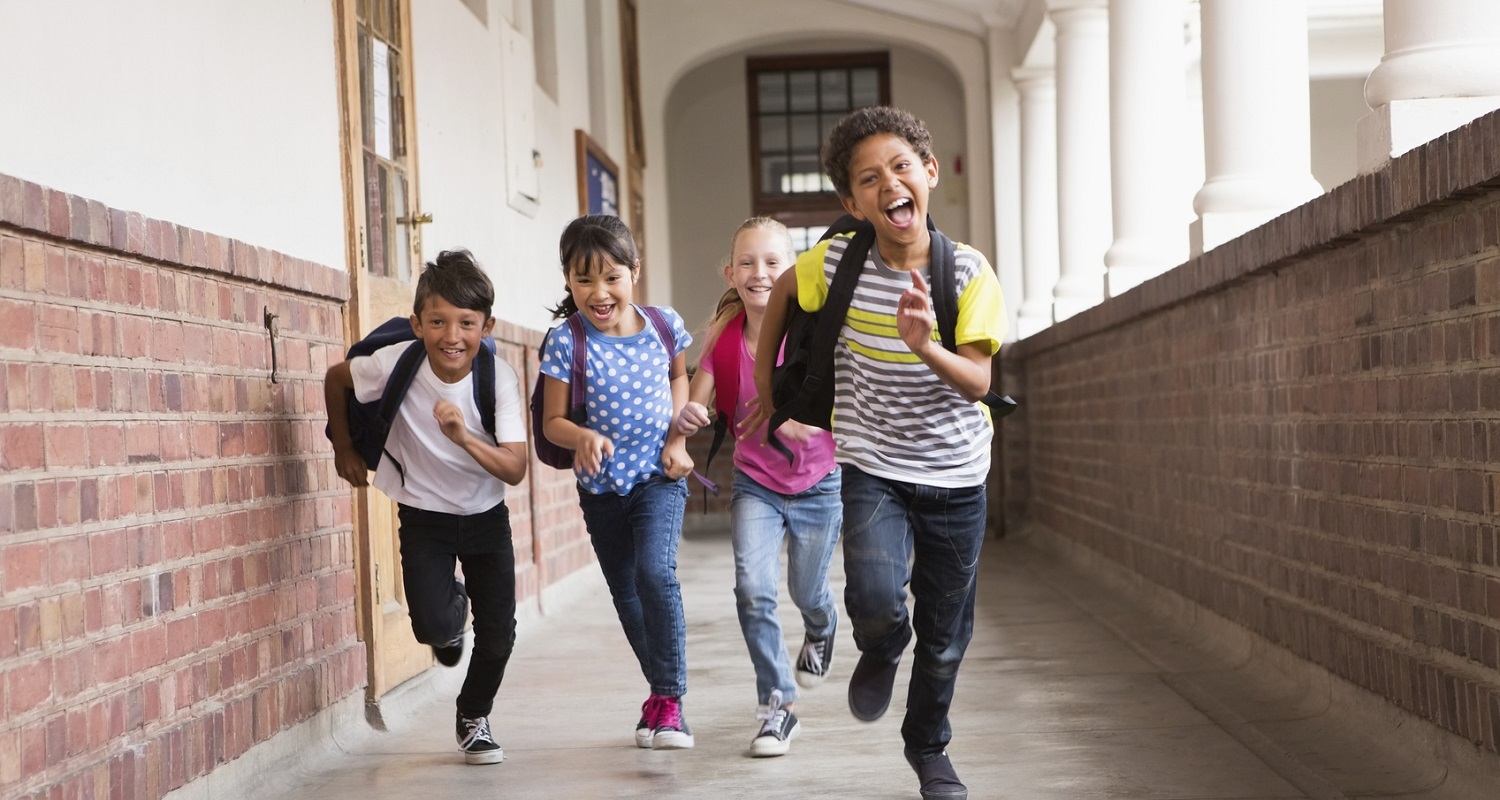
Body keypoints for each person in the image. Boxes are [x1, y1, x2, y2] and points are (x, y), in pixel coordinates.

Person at [742, 107, 1007, 800]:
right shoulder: (834, 262)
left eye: (900, 167)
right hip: (875, 468)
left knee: (946, 634)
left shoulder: (969, 271)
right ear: (851, 202)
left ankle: (929, 750)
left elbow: (980, 380)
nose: (889, 183)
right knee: (877, 599)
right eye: (869, 177)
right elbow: (777, 302)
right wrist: (769, 388)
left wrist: (926, 345)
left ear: (927, 174)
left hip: (956, 475)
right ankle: (884, 646)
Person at [324, 250, 529, 766]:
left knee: (499, 636)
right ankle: (450, 606)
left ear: (487, 325)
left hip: (485, 516)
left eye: (466, 323)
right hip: (424, 516)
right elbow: (335, 379)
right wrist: (344, 448)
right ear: (417, 323)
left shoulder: (498, 378)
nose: (451, 336)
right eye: (437, 321)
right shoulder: (397, 362)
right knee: (434, 629)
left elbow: (514, 468)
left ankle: (473, 716)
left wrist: (462, 437)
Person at [674, 217, 842, 758]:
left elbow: (844, 402)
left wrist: (799, 420)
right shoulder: (724, 336)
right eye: (746, 262)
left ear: (792, 270)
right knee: (753, 589)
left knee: (806, 590)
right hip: (757, 485)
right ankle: (777, 705)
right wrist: (690, 418)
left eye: (772, 262)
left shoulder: (810, 332)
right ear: (730, 271)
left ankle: (822, 626)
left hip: (818, 481)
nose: (759, 273)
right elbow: (697, 399)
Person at [537, 214, 697, 750]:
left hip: (658, 478)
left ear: (635, 271)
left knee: (655, 573)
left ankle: (670, 701)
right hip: (601, 489)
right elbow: (551, 422)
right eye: (584, 280)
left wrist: (677, 439)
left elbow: (680, 376)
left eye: (611, 277)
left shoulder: (663, 323)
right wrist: (580, 436)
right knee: (627, 595)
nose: (599, 293)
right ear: (567, 280)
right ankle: (659, 691)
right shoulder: (565, 340)